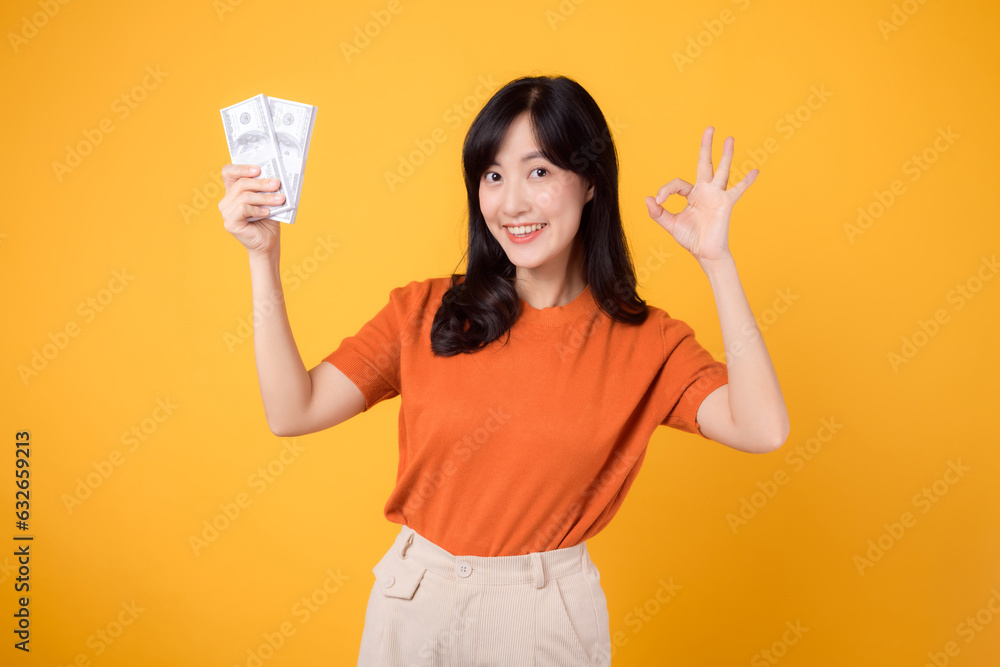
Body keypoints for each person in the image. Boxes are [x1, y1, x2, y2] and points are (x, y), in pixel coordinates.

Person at [218, 74, 789, 666]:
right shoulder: (423, 311)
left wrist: (717, 262)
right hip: (416, 602)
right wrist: (263, 256)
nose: (510, 202)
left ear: (591, 181)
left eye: (538, 172)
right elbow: (293, 411)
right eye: (493, 175)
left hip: (546, 617)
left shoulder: (645, 342)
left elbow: (762, 428)